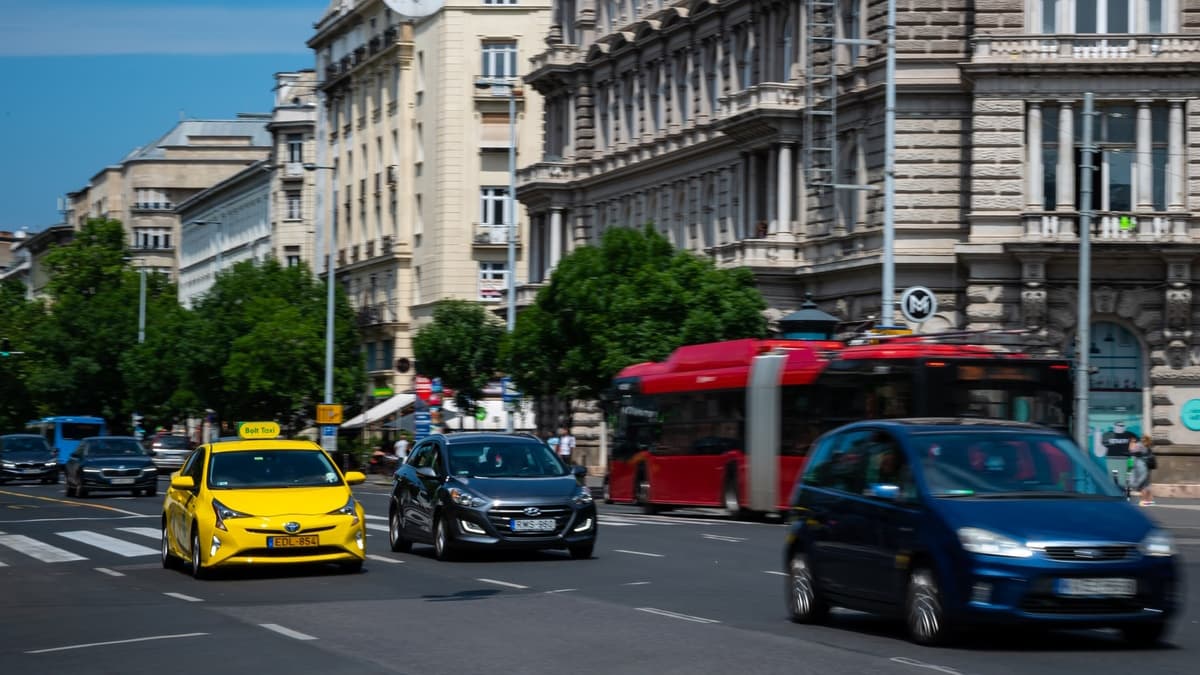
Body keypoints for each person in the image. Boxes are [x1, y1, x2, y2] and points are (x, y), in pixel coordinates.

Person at [1130, 435, 1155, 506]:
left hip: (1140, 467)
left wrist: (1130, 467)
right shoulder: (1148, 446)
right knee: (1147, 485)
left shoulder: (1139, 446)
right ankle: (1149, 500)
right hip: (1147, 467)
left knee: (1143, 485)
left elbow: (1132, 454)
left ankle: (1143, 500)